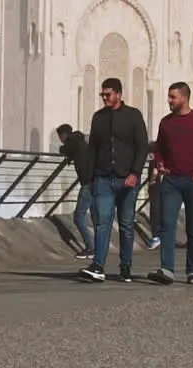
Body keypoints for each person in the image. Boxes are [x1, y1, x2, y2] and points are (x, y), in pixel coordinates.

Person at [147, 81, 193, 286]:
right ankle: (167, 269)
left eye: (173, 97)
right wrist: (160, 164)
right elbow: (159, 148)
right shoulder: (166, 123)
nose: (169, 101)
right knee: (167, 225)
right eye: (169, 97)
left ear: (184, 98)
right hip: (171, 181)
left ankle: (192, 270)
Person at [80, 77, 149, 283]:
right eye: (102, 95)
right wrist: (90, 178)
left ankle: (125, 266)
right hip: (103, 179)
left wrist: (135, 173)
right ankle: (98, 265)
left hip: (127, 179)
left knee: (126, 224)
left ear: (118, 94)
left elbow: (142, 146)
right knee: (103, 223)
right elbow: (93, 148)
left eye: (108, 94)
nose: (105, 98)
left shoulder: (133, 116)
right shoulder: (98, 118)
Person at [56, 123, 94, 259]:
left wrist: (65, 151)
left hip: (88, 183)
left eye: (60, 137)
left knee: (78, 217)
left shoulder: (72, 141)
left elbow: (66, 148)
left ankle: (91, 248)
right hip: (96, 181)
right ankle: (98, 248)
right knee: (95, 216)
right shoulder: (81, 141)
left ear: (63, 135)